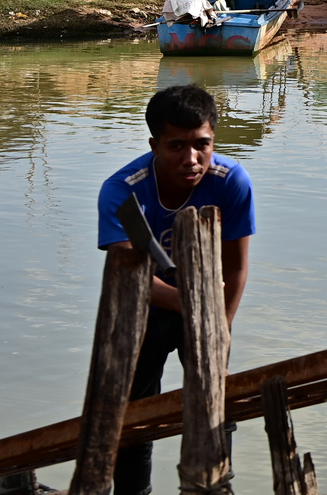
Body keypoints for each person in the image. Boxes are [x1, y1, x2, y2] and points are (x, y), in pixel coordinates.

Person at [96, 84, 256, 495]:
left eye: (202, 145)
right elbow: (130, 274)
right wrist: (187, 302)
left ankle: (214, 486)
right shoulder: (123, 190)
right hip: (143, 306)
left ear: (214, 140)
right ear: (154, 144)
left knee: (215, 398)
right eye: (176, 146)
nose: (191, 159)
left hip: (209, 303)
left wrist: (217, 327)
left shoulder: (230, 181)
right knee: (134, 415)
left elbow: (236, 267)